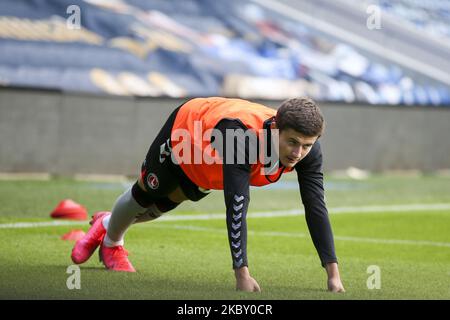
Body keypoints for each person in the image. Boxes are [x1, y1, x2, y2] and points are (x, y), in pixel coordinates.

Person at [71, 97, 345, 293]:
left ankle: (105, 223)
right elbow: (237, 206)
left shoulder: (309, 151)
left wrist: (333, 274)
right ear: (276, 129)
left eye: (306, 146)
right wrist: (242, 275)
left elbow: (315, 207)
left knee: (164, 205)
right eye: (292, 143)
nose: (298, 153)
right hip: (187, 133)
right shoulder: (243, 137)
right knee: (147, 194)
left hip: (212, 162)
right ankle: (112, 243)